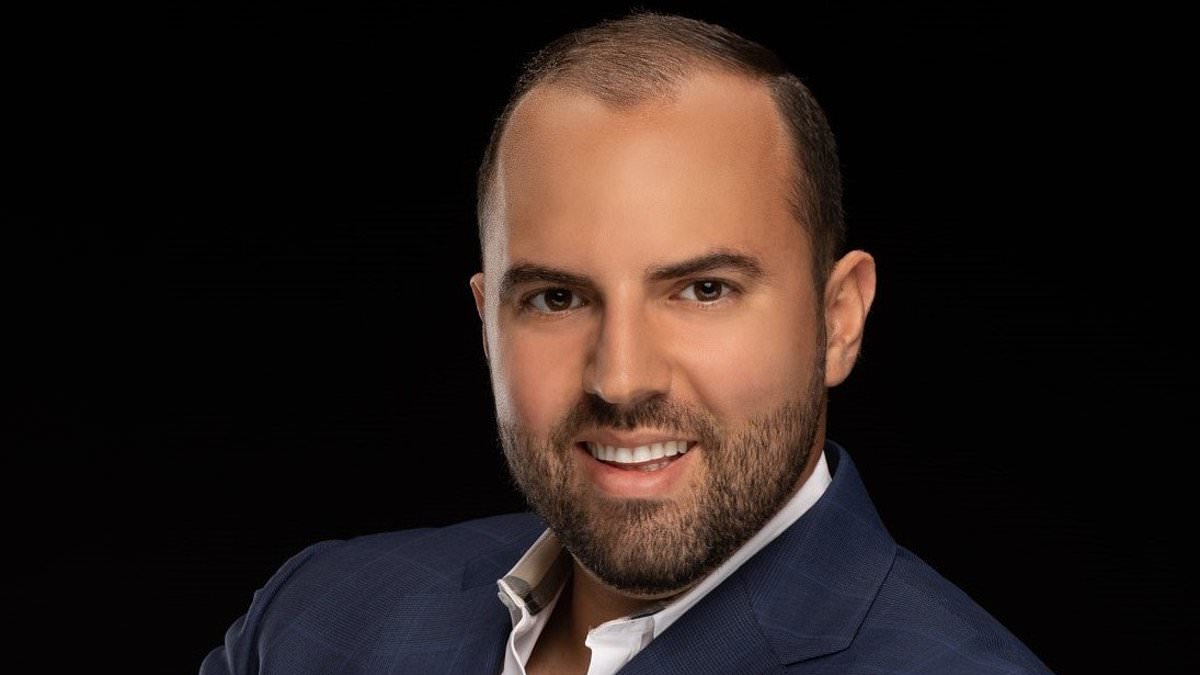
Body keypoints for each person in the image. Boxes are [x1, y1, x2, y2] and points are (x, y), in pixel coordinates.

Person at [201, 10, 1053, 674]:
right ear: (487, 323)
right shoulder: (316, 618)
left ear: (839, 319)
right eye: (557, 297)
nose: (620, 377)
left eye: (703, 289)